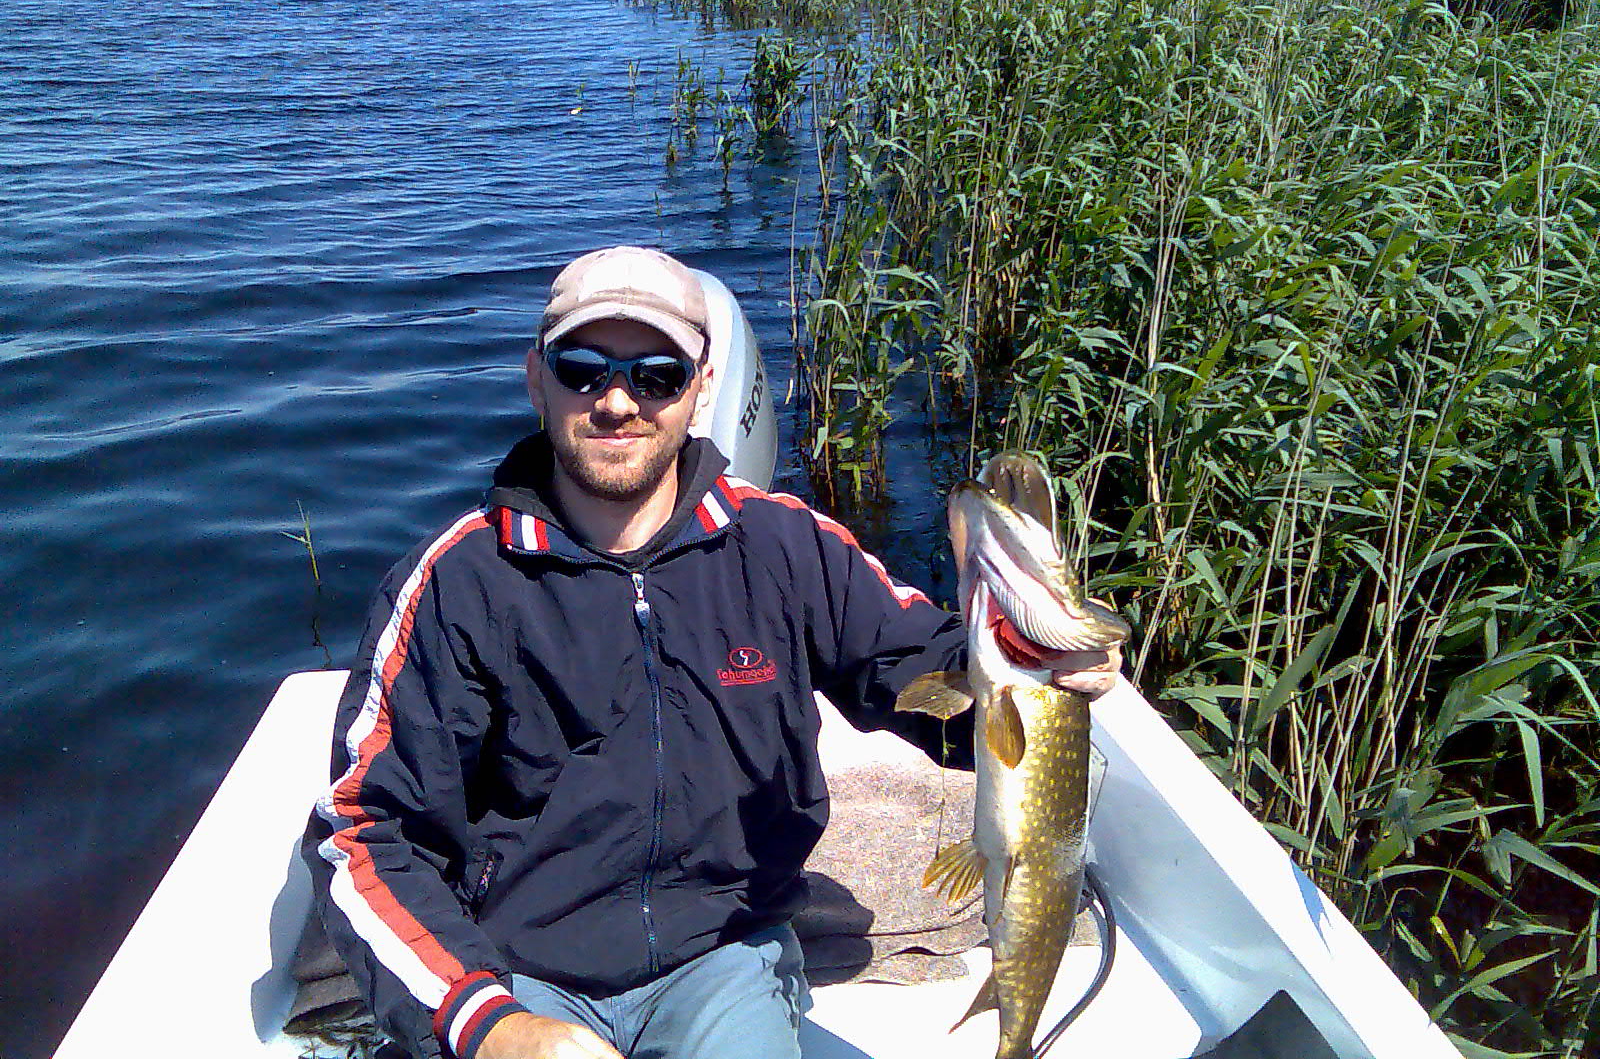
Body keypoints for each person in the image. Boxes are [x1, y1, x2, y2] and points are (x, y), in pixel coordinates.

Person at [302, 246, 1121, 1059]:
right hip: (519, 971)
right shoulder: (456, 584)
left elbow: (921, 673)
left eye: (655, 373)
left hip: (723, 957)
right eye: (583, 368)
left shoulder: (786, 545)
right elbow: (366, 833)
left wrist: (1035, 662)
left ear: (699, 389)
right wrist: (492, 1026)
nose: (617, 401)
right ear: (535, 379)